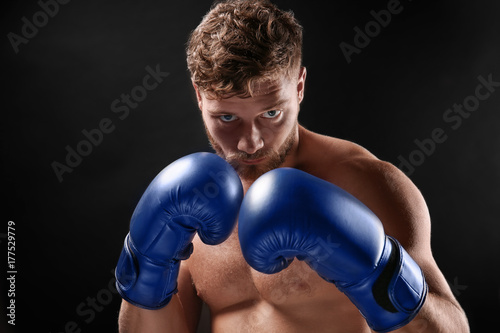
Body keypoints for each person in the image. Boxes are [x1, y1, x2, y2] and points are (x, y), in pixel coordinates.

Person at [115, 0, 470, 332]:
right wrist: (145, 269)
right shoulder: (187, 198)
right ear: (199, 97)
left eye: (271, 113)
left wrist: (377, 272)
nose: (249, 142)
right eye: (226, 117)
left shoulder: (365, 183)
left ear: (298, 87)